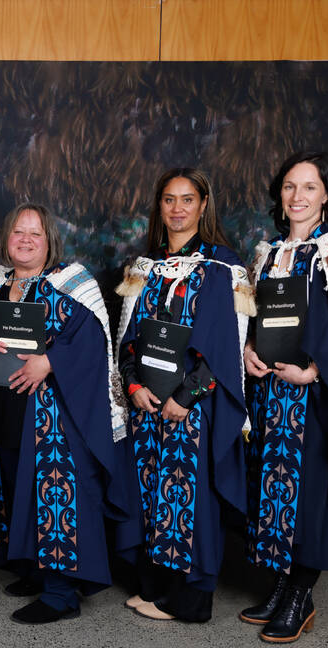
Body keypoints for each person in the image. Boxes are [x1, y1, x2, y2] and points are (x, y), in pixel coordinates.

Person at [0, 203, 131, 623]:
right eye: (18, 232)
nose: (25, 240)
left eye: (35, 234)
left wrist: (51, 361)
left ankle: (61, 594)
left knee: (56, 496)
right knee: (15, 492)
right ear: (7, 239)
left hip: (54, 417)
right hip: (6, 411)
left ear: (50, 242)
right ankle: (36, 570)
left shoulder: (73, 284)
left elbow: (95, 343)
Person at [241, 151, 328, 643]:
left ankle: (300, 596)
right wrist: (249, 350)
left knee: (308, 498)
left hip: (315, 398)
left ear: (327, 197)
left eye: (309, 188)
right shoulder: (267, 253)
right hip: (272, 395)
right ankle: (280, 587)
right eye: (289, 187)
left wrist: (317, 371)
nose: (297, 197)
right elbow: (255, 319)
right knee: (272, 490)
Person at [115, 168, 253, 623]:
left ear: (203, 204)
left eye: (187, 199)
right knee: (153, 495)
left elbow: (226, 346)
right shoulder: (146, 267)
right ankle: (157, 590)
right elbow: (129, 339)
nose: (177, 208)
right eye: (169, 200)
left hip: (191, 405)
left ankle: (190, 601)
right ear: (160, 206)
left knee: (187, 498)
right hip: (147, 404)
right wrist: (132, 384)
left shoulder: (222, 267)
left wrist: (187, 397)